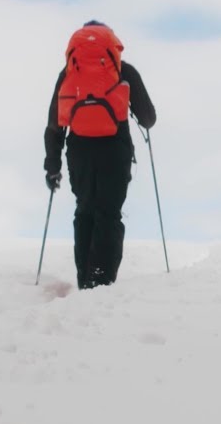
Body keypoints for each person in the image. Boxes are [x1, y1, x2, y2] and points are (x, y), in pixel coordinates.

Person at [44, 21, 156, 290]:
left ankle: (85, 279)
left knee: (84, 211)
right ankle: (100, 281)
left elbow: (54, 124)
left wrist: (53, 165)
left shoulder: (69, 73)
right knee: (108, 213)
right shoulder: (123, 70)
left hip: (79, 153)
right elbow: (148, 118)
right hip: (115, 151)